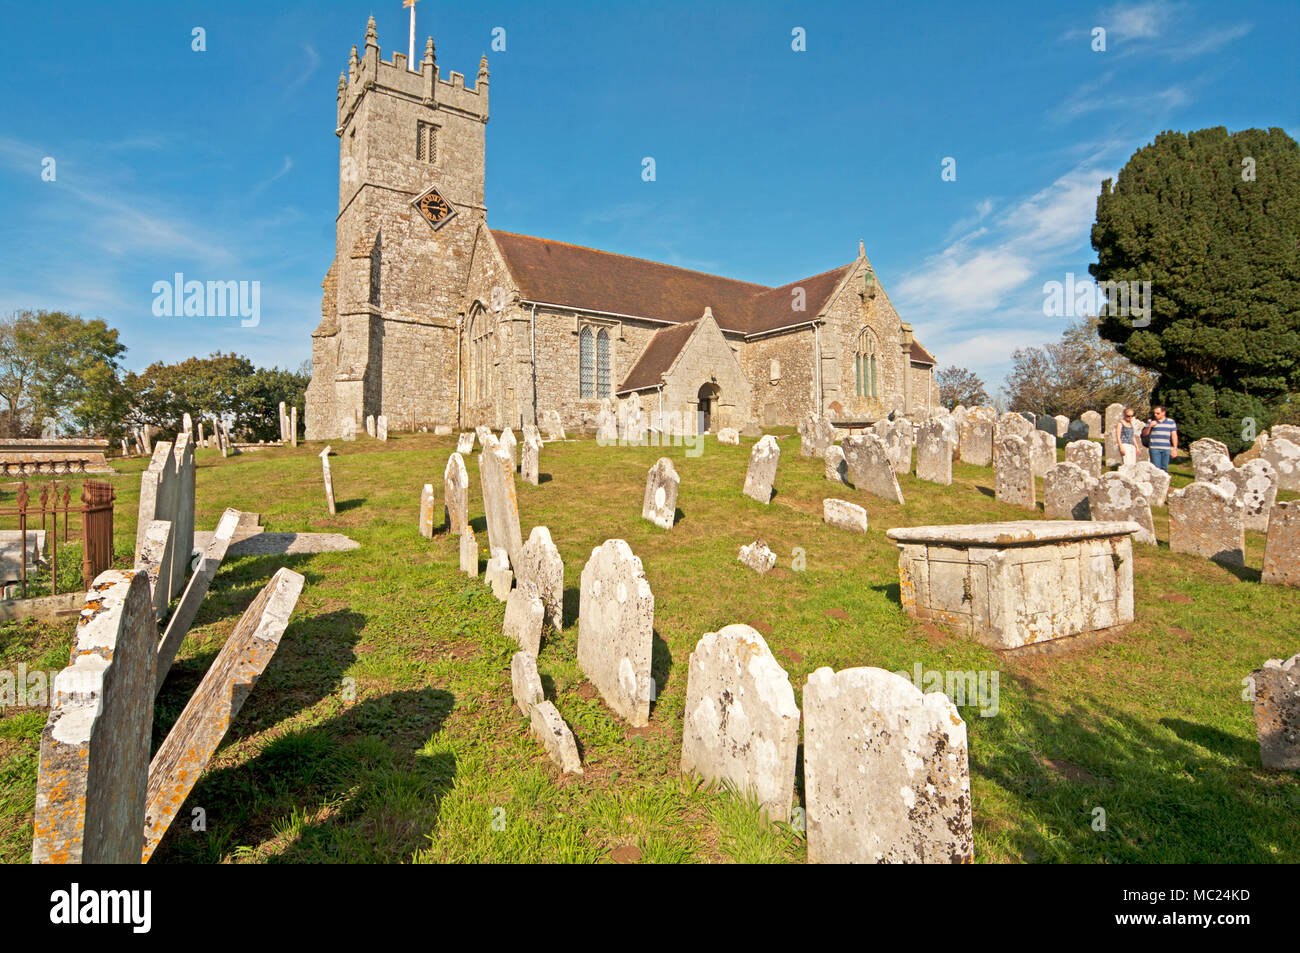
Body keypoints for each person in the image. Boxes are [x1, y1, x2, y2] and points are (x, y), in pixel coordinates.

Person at [1143, 405, 1179, 471]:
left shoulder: (1171, 422)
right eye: (1154, 413)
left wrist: (1174, 448)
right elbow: (1144, 434)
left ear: (1163, 413)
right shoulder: (1150, 421)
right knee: (1156, 468)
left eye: (1157, 413)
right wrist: (1150, 426)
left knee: (1164, 468)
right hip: (1154, 448)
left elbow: (1174, 435)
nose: (1155, 415)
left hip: (1166, 448)